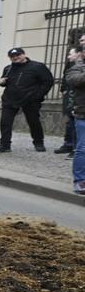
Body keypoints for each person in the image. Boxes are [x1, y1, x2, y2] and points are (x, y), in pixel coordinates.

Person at [0, 47, 54, 152]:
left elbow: (48, 81)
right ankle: (5, 145)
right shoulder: (8, 68)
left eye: (18, 55)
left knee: (33, 121)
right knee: (5, 122)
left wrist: (37, 96)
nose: (15, 58)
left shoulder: (38, 66)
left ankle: (38, 142)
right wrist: (2, 83)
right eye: (12, 56)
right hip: (10, 99)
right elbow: (5, 81)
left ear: (24, 54)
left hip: (30, 100)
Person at [64, 47, 85, 195]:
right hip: (83, 114)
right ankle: (80, 181)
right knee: (83, 149)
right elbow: (75, 81)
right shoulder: (76, 68)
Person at [56, 46, 81, 154]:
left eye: (71, 54)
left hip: (78, 98)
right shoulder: (71, 64)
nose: (68, 56)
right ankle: (69, 144)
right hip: (71, 95)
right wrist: (63, 89)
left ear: (79, 54)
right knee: (70, 121)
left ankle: (76, 147)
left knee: (76, 122)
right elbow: (65, 77)